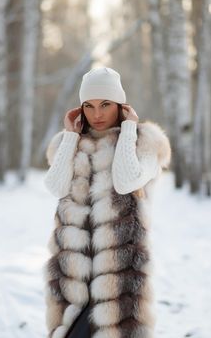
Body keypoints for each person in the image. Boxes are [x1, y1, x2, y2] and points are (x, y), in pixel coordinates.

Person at [43, 67, 171, 338]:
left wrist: (128, 130)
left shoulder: (145, 142)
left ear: (120, 105)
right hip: (73, 275)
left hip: (119, 278)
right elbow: (55, 186)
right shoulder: (69, 143)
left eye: (105, 104)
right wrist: (69, 137)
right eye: (88, 106)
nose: (97, 114)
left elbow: (127, 181)